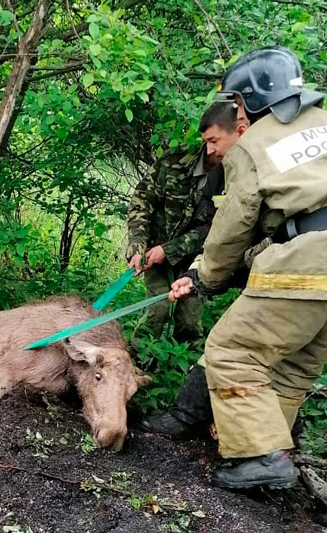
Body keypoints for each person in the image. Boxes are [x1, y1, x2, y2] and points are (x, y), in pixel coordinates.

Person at [169, 46, 327, 490]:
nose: (236, 110)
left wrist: (203, 277)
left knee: (230, 351)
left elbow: (234, 225)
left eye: (237, 101)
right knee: (294, 363)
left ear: (252, 100)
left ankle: (262, 456)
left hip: (310, 256)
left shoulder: (256, 144)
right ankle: (271, 450)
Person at [126, 102, 248, 343]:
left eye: (215, 141)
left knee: (189, 321)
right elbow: (142, 201)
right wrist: (137, 244)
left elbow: (219, 230)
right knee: (156, 311)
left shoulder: (241, 175)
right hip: (155, 250)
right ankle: (136, 367)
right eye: (206, 141)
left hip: (199, 258)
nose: (210, 150)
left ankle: (184, 373)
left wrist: (170, 250)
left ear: (240, 133)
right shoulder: (175, 160)